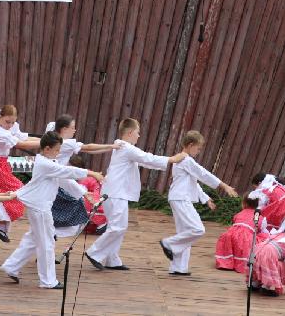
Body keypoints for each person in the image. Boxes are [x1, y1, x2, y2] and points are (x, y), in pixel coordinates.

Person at [1, 131, 104, 289]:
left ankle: (11, 266)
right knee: (46, 243)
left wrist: (84, 193)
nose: (59, 152)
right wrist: (92, 173)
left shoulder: (49, 162)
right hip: (40, 209)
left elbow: (64, 179)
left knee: (33, 239)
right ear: (47, 149)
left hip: (39, 207)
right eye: (57, 149)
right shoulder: (45, 164)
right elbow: (68, 172)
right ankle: (48, 281)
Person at [85, 118, 187, 271]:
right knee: (118, 227)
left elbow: (145, 161)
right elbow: (147, 158)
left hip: (114, 192)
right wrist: (171, 159)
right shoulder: (126, 148)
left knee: (117, 226)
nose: (139, 136)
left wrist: (167, 162)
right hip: (115, 193)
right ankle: (94, 253)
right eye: (138, 132)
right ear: (131, 132)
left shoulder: (123, 147)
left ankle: (112, 260)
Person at [160, 130, 238, 276]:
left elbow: (193, 182)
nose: (199, 151)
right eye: (198, 148)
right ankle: (169, 243)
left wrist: (206, 198)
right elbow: (203, 174)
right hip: (181, 198)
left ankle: (178, 267)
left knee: (185, 233)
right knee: (197, 229)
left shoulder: (182, 161)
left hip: (179, 198)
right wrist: (224, 186)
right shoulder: (186, 160)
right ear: (190, 145)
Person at [45, 114, 119, 238]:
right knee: (71, 220)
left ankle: (48, 237)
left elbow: (88, 150)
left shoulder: (55, 141)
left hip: (58, 180)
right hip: (58, 181)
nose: (75, 130)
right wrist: (110, 146)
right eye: (73, 127)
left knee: (47, 223)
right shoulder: (66, 142)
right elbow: (88, 148)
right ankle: (50, 235)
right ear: (64, 129)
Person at [0, 105, 40, 243]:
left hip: (1, 164)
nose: (10, 125)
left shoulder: (9, 126)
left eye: (13, 122)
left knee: (15, 192)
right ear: (0, 117)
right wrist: (45, 142)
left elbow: (22, 137)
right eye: (8, 122)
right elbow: (20, 144)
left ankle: (1, 223)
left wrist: (44, 140)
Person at [248, 215, 285, 297]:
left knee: (263, 261)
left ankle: (254, 284)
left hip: (257, 250)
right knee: (281, 264)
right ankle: (266, 287)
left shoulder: (275, 234)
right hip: (268, 254)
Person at [215, 192, 268, 273]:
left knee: (234, 239)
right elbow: (262, 229)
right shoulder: (259, 216)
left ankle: (227, 263)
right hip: (246, 239)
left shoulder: (239, 214)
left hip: (230, 235)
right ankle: (246, 261)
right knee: (265, 237)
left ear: (244, 203)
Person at [69, 155, 107, 235]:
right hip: (82, 202)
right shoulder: (74, 178)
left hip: (92, 203)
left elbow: (96, 192)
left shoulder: (87, 178)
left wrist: (94, 201)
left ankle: (100, 223)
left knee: (82, 199)